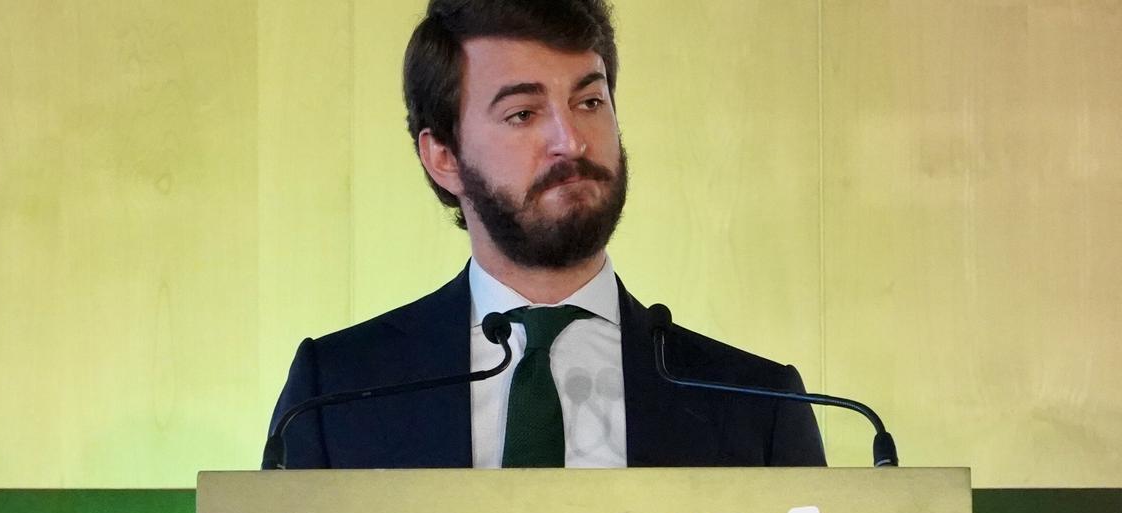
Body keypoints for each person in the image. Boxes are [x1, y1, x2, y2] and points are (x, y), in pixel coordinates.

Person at [263, 0, 825, 470]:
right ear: (444, 157)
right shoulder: (334, 395)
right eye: (523, 113)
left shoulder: (758, 408)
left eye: (588, 102)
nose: (571, 141)